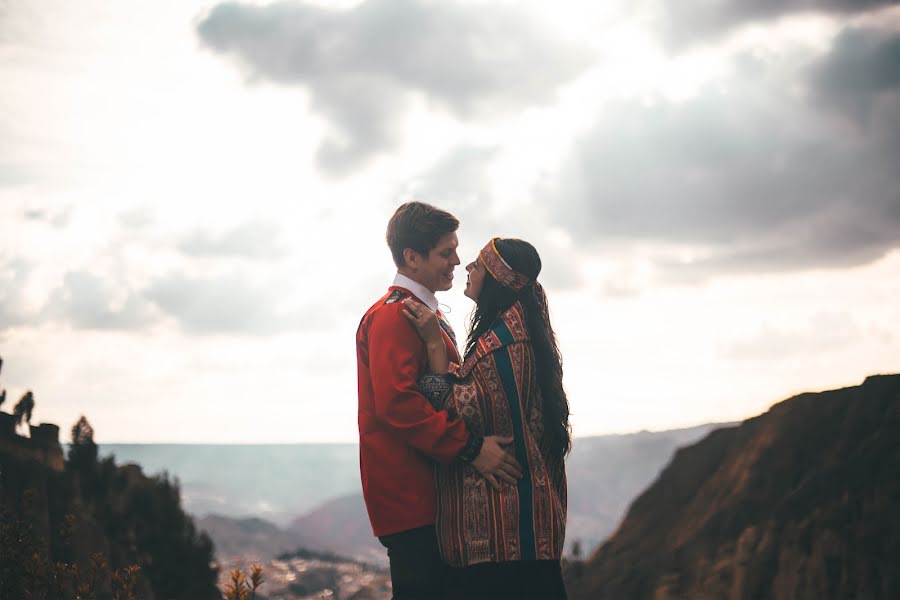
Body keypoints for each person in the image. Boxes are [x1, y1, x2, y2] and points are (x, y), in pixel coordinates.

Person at [356, 203, 523, 600]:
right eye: (445, 252)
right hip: (413, 502)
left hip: (429, 498)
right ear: (412, 257)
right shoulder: (393, 317)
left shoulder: (418, 313)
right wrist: (470, 449)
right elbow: (398, 405)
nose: (457, 260)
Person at [401, 237, 571, 600]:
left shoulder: (506, 345)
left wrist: (433, 345)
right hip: (521, 533)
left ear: (495, 278)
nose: (467, 267)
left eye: (478, 264)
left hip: (503, 540)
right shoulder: (519, 332)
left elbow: (458, 412)